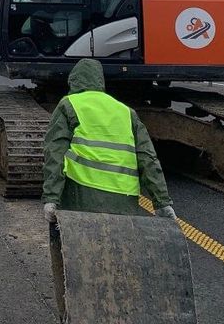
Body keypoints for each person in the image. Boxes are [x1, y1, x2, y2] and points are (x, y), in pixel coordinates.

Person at [41, 58, 176, 320]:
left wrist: (51, 198)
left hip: (81, 199)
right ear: (100, 83)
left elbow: (54, 155)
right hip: (124, 203)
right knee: (117, 264)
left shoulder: (69, 105)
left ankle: (77, 314)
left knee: (78, 264)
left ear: (74, 82)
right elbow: (148, 158)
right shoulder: (125, 111)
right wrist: (162, 202)